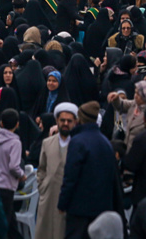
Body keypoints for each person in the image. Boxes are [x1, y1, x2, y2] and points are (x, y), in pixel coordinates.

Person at [58, 102, 120, 239]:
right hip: (102, 207)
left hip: (79, 208)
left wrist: (63, 202)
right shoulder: (105, 142)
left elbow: (71, 176)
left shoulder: (77, 141)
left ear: (79, 119)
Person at [35, 103, 77, 239]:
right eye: (62, 120)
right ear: (57, 121)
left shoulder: (78, 144)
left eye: (69, 121)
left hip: (69, 197)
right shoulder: (47, 143)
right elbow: (42, 168)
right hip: (48, 196)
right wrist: (43, 186)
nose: (65, 124)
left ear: (75, 122)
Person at [0, 109, 27, 239]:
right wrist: (22, 175)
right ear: (17, 124)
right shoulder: (15, 142)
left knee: (10, 223)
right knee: (5, 223)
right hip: (7, 186)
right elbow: (13, 166)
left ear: (1, 123)